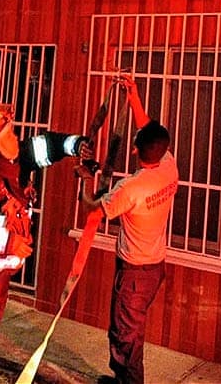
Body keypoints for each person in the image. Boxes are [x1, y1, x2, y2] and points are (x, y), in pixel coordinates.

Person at [0, 103, 93, 384]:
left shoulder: (11, 160)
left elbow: (46, 145)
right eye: (8, 134)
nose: (15, 138)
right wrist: (10, 241)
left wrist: (76, 145)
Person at [79, 75, 180, 384]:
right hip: (154, 267)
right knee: (124, 329)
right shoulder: (168, 165)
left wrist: (84, 176)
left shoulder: (130, 189)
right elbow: (148, 128)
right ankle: (121, 378)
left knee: (127, 337)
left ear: (136, 151)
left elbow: (92, 207)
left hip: (135, 273)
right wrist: (133, 95)